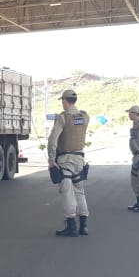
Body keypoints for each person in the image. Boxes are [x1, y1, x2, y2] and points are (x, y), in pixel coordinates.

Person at [47, 89, 90, 236]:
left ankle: (71, 226)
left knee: (67, 193)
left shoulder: (62, 118)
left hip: (65, 160)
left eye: (62, 101)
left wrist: (51, 159)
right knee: (79, 191)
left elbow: (52, 140)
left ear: (65, 101)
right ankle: (84, 226)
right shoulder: (84, 117)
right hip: (79, 160)